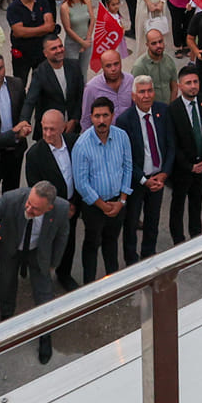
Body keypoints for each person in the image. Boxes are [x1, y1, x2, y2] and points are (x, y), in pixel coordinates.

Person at [0, 183, 68, 364]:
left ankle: (45, 334)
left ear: (49, 208)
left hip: (38, 252)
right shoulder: (11, 198)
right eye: (28, 204)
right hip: (11, 248)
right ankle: (7, 318)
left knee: (44, 292)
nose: (29, 209)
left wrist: (53, 263)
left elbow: (62, 236)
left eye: (36, 209)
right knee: (6, 284)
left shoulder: (61, 208)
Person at [112, 77, 172, 263]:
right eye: (142, 92)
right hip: (136, 182)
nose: (146, 96)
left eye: (149, 91)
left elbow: (171, 145)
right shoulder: (124, 121)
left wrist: (164, 174)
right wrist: (144, 180)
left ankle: (149, 255)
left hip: (158, 179)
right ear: (133, 95)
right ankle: (131, 261)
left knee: (152, 221)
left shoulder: (163, 111)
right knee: (131, 224)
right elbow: (125, 158)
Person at [70, 98, 129, 283]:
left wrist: (122, 201)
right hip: (94, 206)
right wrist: (103, 206)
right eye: (97, 116)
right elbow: (81, 183)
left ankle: (113, 282)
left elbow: (128, 168)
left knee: (112, 242)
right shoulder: (82, 145)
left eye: (105, 115)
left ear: (112, 116)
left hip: (118, 203)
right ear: (91, 117)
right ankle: (89, 287)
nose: (101, 120)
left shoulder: (122, 137)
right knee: (92, 244)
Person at [21, 109, 79, 289]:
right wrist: (59, 207)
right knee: (45, 244)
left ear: (63, 127)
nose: (47, 134)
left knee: (68, 241)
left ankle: (64, 274)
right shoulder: (34, 155)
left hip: (74, 205)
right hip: (50, 208)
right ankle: (41, 277)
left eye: (52, 129)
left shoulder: (74, 142)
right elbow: (36, 188)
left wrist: (74, 203)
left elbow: (80, 173)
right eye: (44, 129)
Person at [163, 68, 202, 244]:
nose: (193, 86)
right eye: (188, 83)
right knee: (178, 205)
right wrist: (189, 166)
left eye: (195, 82)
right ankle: (178, 240)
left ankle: (196, 237)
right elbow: (172, 144)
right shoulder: (173, 110)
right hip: (182, 170)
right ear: (180, 86)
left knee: (197, 203)